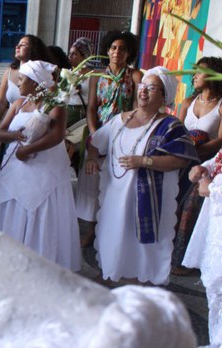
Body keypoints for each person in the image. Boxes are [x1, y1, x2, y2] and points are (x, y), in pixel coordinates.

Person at [85, 66, 197, 285]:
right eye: (142, 85)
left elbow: (181, 159)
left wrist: (145, 161)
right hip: (115, 194)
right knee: (112, 233)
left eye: (151, 88)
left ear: (164, 96)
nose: (143, 91)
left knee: (139, 244)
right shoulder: (120, 120)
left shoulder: (170, 126)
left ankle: (139, 281)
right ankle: (110, 272)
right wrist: (91, 158)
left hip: (147, 197)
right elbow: (97, 142)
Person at [0, 60, 80, 270]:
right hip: (15, 168)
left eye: (22, 79)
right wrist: (15, 136)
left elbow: (57, 135)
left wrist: (28, 149)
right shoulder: (18, 104)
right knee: (13, 207)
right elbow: (0, 132)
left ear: (35, 82)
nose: (18, 83)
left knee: (40, 210)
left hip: (44, 168)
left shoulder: (55, 105)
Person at [76, 31, 143, 247]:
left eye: (122, 49)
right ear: (107, 50)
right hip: (99, 132)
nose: (117, 52)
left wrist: (129, 134)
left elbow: (137, 108)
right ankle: (91, 231)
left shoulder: (135, 76)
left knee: (117, 183)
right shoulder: (97, 76)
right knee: (93, 182)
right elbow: (91, 107)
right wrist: (95, 133)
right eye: (113, 48)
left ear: (129, 52)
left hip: (124, 135)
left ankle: (112, 231)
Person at [173, 56, 222, 275]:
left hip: (205, 166)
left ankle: (183, 260)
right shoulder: (187, 102)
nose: (194, 76)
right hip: (181, 161)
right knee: (173, 203)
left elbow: (220, 140)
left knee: (189, 208)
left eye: (200, 71)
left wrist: (196, 151)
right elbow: (176, 130)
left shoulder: (220, 106)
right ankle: (166, 252)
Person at [183, 138, 222, 345]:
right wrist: (202, 169)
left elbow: (211, 189)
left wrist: (212, 189)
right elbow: (217, 161)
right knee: (215, 288)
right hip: (216, 225)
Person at [0, 34, 50, 144]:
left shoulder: (42, 76)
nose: (17, 47)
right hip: (10, 128)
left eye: (23, 45)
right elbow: (1, 102)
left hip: (35, 130)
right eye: (18, 44)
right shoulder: (9, 71)